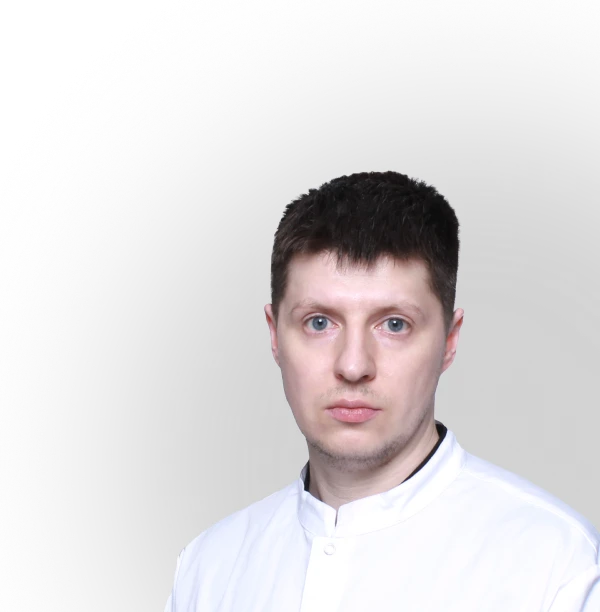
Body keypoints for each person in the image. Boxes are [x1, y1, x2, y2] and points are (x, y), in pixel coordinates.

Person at [163, 171, 600, 611]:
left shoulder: (556, 566)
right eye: (319, 322)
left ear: (449, 341)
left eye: (394, 325)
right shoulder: (209, 568)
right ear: (275, 336)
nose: (353, 366)